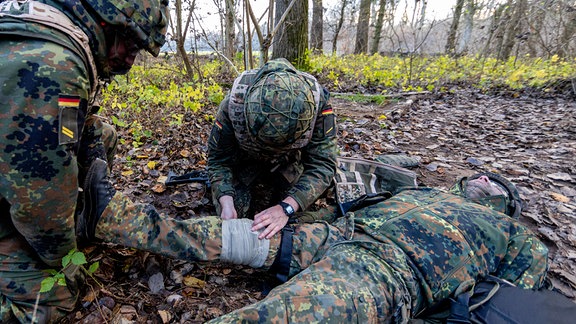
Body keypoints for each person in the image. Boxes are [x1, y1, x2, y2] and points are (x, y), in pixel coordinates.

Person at [78, 163, 559, 322]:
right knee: (231, 237)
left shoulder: (519, 239)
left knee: (279, 314)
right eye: (479, 176)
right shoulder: (422, 190)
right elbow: (357, 205)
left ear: (507, 205)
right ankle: (109, 217)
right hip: (341, 235)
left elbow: (502, 301)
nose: (484, 181)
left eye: (496, 185)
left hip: (386, 272)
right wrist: (293, 220)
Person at [0, 0, 168, 322]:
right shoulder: (57, 63)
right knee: (56, 296)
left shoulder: (54, 28)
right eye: (130, 44)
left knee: (102, 134)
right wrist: (65, 257)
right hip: (21, 191)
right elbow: (39, 203)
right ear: (104, 23)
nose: (131, 59)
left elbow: (66, 127)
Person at [207, 58, 338, 239]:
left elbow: (323, 164)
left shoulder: (317, 103)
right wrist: (225, 200)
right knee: (234, 221)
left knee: (297, 222)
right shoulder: (234, 103)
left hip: (290, 162)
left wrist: (288, 207)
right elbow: (218, 160)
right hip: (246, 161)